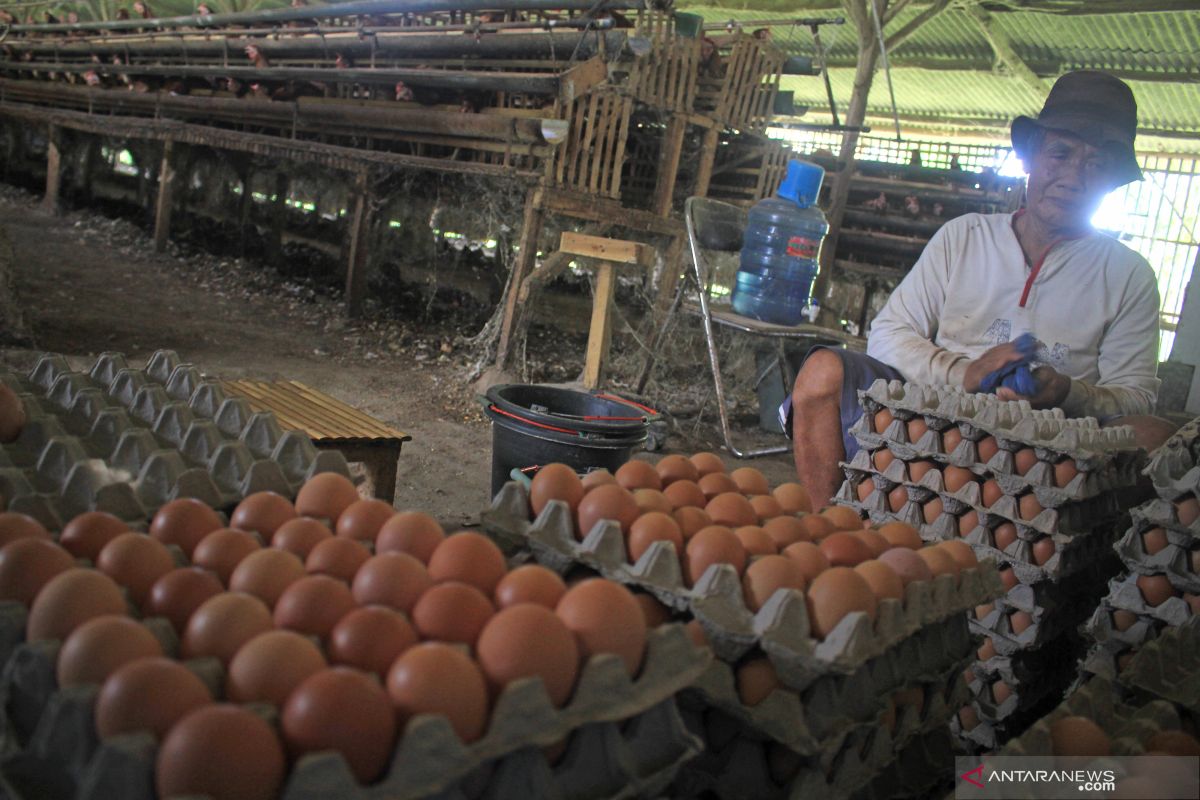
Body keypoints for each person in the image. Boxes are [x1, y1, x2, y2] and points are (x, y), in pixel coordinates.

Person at [787, 71, 1177, 509]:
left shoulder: (1128, 274)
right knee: (822, 371)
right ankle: (827, 524)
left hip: (1050, 444)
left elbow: (1137, 397)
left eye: (1096, 164)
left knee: (1154, 434)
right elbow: (889, 333)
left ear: (1111, 181)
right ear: (1030, 157)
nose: (1074, 177)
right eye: (1060, 154)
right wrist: (964, 374)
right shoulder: (964, 236)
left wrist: (1065, 392)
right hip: (933, 419)